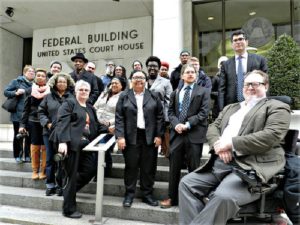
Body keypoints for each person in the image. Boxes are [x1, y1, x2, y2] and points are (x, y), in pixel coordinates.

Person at [178, 70, 291, 225]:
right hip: (220, 162)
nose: (250, 87)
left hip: (250, 167)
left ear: (266, 86)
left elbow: (271, 135)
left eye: (255, 84)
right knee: (187, 183)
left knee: (224, 197)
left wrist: (231, 144)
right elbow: (213, 127)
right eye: (247, 84)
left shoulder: (277, 107)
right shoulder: (231, 108)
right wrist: (219, 146)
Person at [52, 80, 108, 218]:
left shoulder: (90, 107)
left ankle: (67, 191)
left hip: (86, 145)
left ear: (89, 93)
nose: (83, 92)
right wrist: (63, 142)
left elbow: (96, 127)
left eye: (86, 90)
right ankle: (69, 209)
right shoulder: (69, 104)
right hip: (70, 144)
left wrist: (111, 130)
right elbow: (62, 122)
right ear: (75, 91)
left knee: (91, 169)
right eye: (81, 89)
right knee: (71, 175)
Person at [160, 64, 211, 208]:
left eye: (193, 72)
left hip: (194, 134)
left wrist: (187, 124)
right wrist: (176, 124)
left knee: (194, 169)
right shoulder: (175, 93)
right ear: (182, 75)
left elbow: (203, 113)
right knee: (173, 168)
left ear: (196, 75)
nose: (190, 74)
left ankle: (194, 200)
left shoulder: (203, 91)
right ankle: (172, 198)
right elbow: (170, 112)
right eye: (187, 72)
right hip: (177, 135)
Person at [115, 70, 164, 208]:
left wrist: (159, 135)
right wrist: (120, 137)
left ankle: (147, 194)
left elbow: (160, 116)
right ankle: (129, 194)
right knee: (131, 166)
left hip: (149, 137)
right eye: (135, 77)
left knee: (148, 167)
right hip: (130, 137)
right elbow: (119, 117)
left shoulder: (154, 95)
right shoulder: (124, 96)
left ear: (146, 80)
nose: (139, 80)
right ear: (131, 79)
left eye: (141, 77)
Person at [38, 72, 75, 196]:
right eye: (59, 81)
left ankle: (60, 185)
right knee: (49, 159)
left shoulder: (72, 97)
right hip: (48, 132)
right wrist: (47, 123)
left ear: (68, 83)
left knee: (62, 160)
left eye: (64, 82)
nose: (62, 83)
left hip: (64, 134)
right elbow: (41, 112)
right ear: (55, 83)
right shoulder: (48, 97)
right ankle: (50, 184)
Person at [218, 30, 268, 112]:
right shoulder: (226, 65)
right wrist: (222, 110)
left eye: (241, 39)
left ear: (247, 42)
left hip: (255, 105)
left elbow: (265, 84)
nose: (238, 42)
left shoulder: (260, 60)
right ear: (232, 45)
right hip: (232, 107)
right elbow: (221, 89)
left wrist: (264, 105)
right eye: (235, 40)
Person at [19, 68, 50, 180]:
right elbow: (25, 109)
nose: (40, 77)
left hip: (46, 122)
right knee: (35, 146)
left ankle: (43, 170)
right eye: (38, 75)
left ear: (46, 78)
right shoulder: (29, 90)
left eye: (42, 75)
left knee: (45, 146)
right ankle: (35, 170)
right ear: (35, 77)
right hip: (33, 121)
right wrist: (22, 125)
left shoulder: (51, 90)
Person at [94, 76, 127, 177]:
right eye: (112, 83)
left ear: (122, 86)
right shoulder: (104, 94)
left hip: (111, 126)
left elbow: (123, 113)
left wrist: (110, 123)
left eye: (116, 83)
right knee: (97, 149)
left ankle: (104, 171)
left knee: (103, 149)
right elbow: (95, 106)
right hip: (97, 125)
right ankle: (99, 171)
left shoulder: (124, 96)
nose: (113, 85)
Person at [4, 65, 35, 163]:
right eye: (29, 71)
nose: (32, 73)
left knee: (29, 136)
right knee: (18, 136)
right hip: (17, 114)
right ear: (24, 73)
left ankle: (27, 155)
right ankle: (17, 155)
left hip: (30, 115)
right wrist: (16, 92)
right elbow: (6, 92)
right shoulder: (16, 81)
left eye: (33, 72)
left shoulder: (34, 84)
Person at [145, 56, 173, 156]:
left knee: (163, 146)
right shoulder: (142, 80)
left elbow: (168, 101)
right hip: (143, 118)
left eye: (155, 66)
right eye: (150, 66)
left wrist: (166, 118)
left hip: (159, 117)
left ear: (159, 68)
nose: (152, 68)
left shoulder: (166, 82)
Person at [211, 56, 228, 120]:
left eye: (225, 63)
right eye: (222, 64)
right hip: (218, 108)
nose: (223, 65)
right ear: (219, 65)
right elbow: (210, 92)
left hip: (229, 106)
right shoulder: (215, 78)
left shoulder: (231, 77)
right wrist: (220, 94)